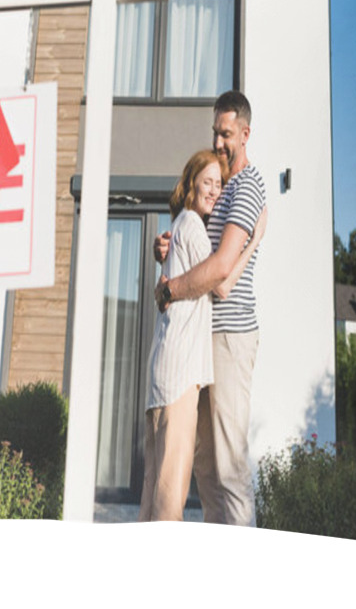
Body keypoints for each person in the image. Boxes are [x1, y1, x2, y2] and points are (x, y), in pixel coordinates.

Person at [154, 90, 266, 526]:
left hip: (230, 336)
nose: (218, 143)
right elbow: (197, 250)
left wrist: (171, 290)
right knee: (203, 466)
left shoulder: (249, 187)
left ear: (244, 133)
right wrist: (165, 246)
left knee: (229, 465)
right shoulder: (219, 186)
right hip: (202, 336)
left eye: (226, 134)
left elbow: (219, 270)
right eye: (215, 133)